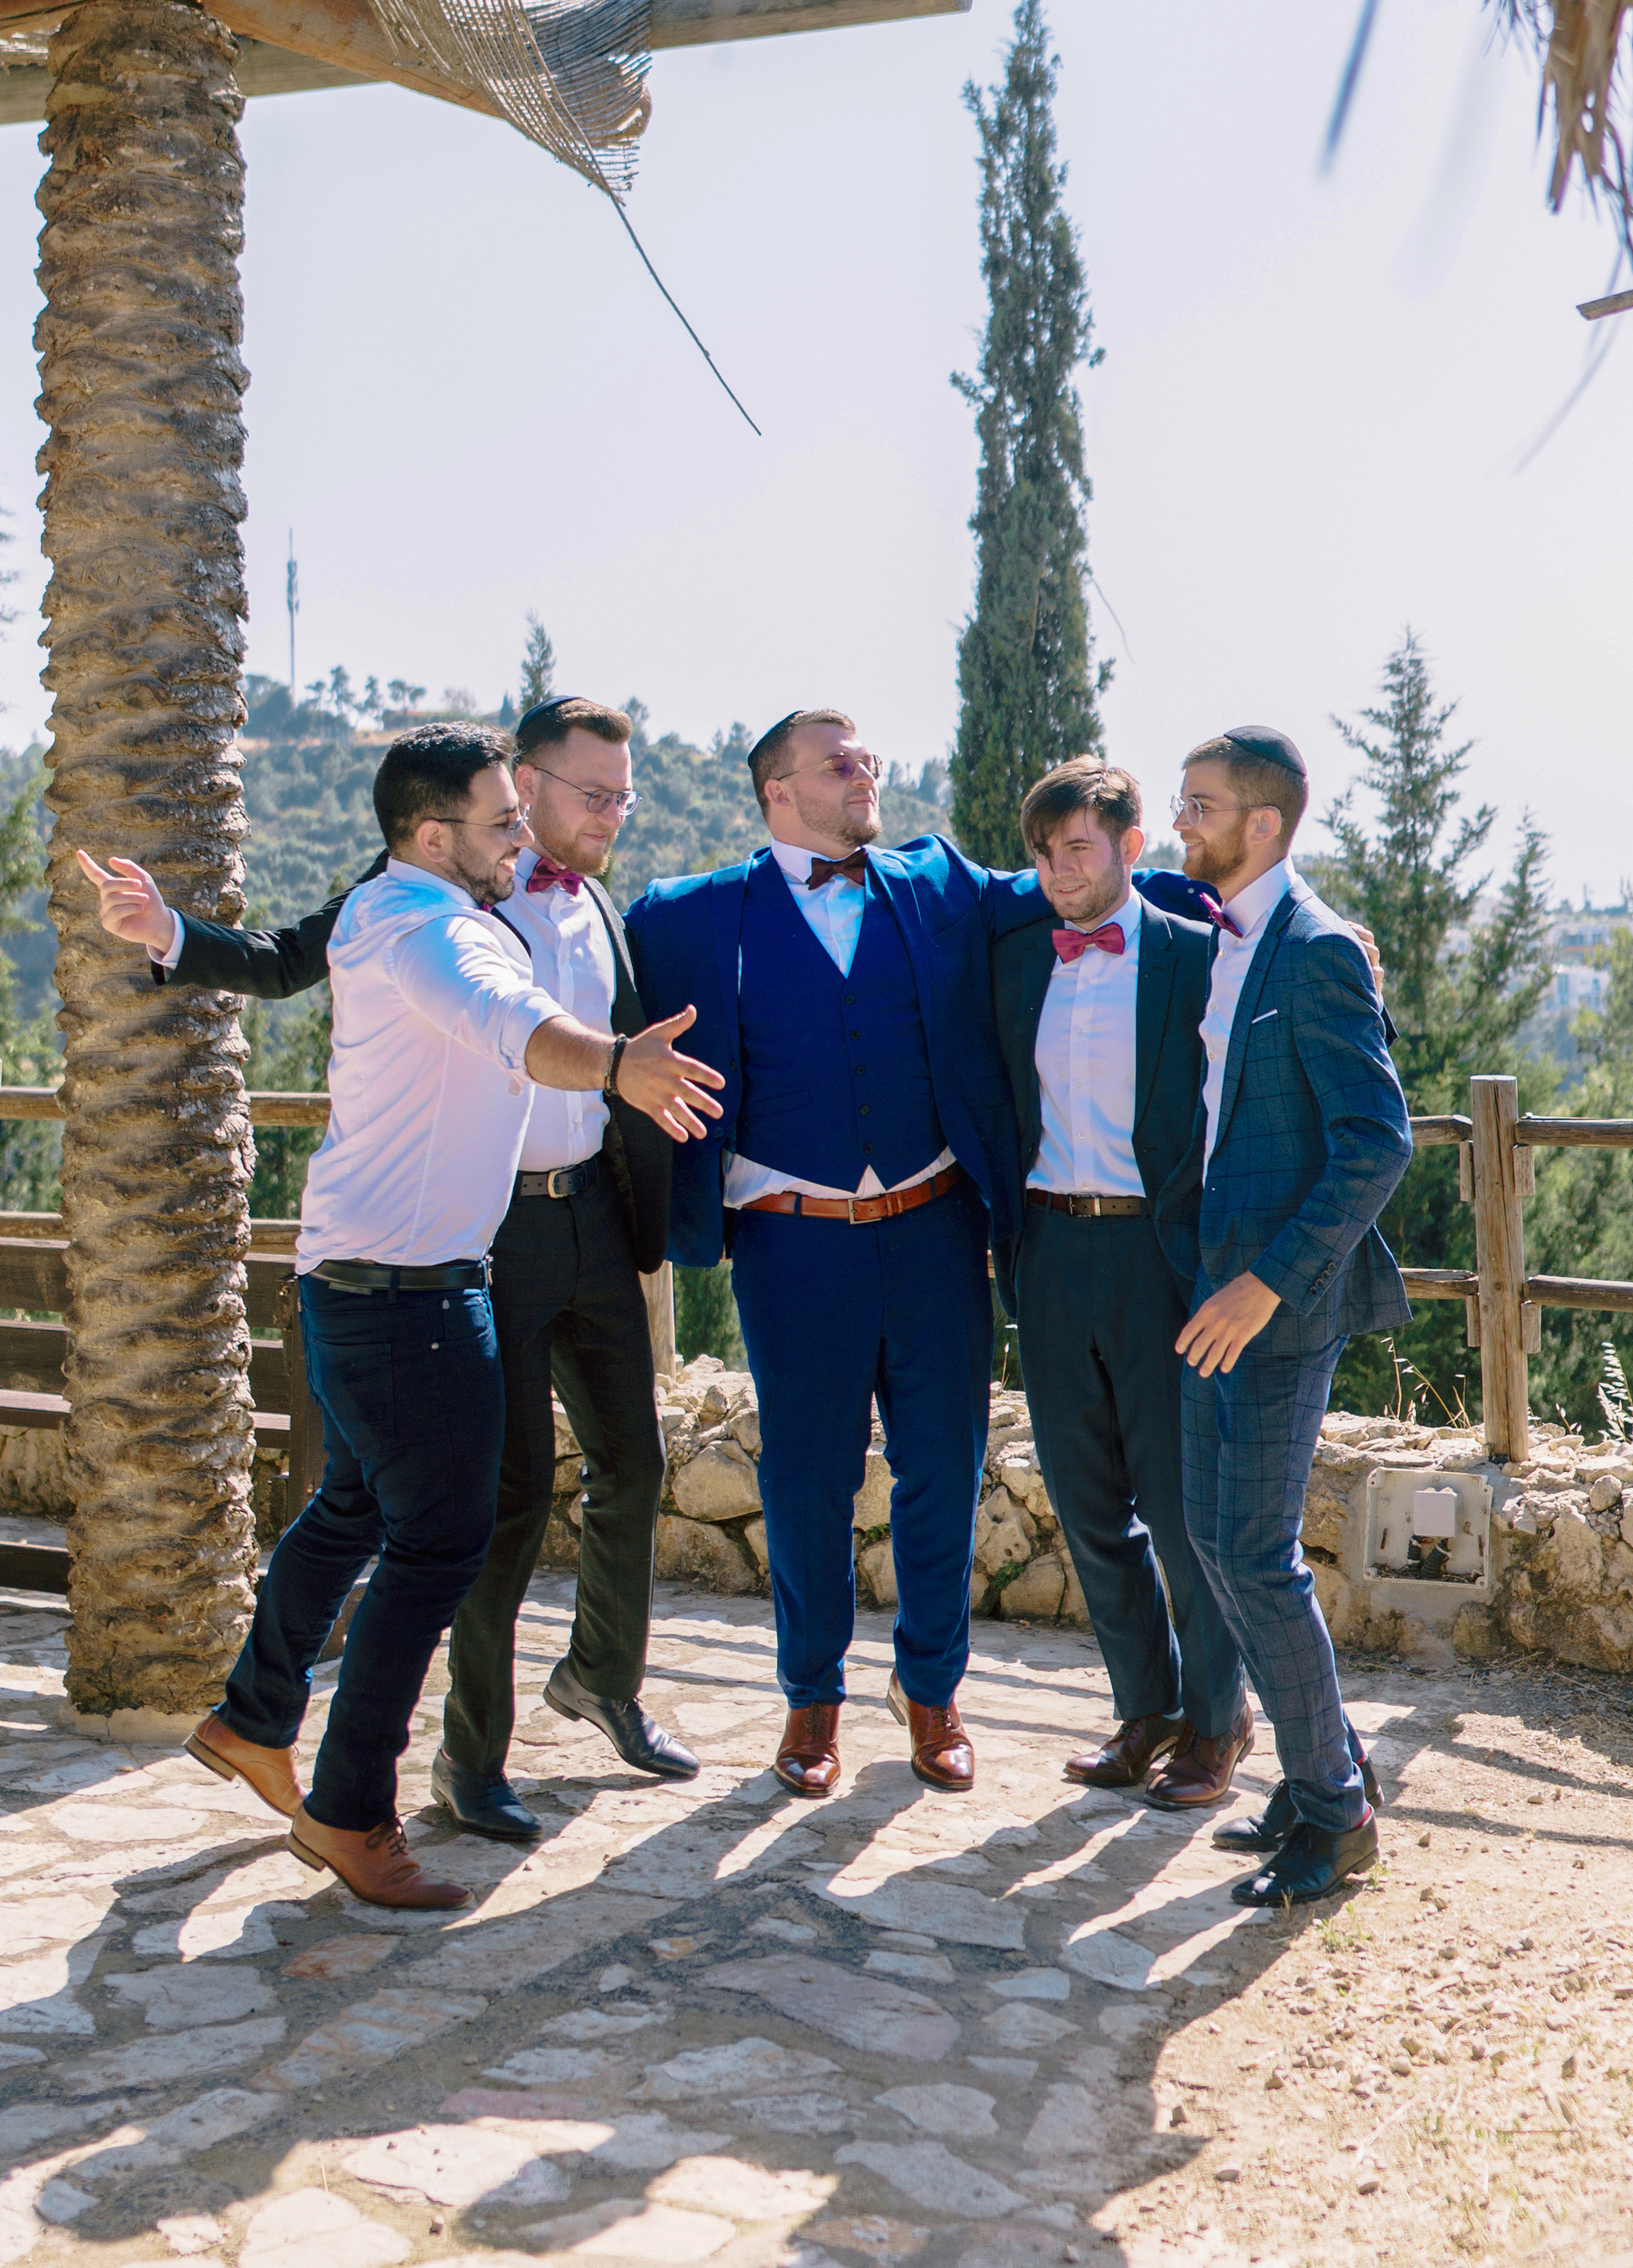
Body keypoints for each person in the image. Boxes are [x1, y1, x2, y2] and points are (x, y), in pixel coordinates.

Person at [91, 723, 721, 1909]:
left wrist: (168, 932)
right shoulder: (433, 932)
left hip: (378, 1282)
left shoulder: (405, 906)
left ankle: (253, 1718)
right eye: (500, 820)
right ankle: (347, 1812)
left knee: (356, 1508)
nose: (519, 836)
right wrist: (622, 1062)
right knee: (439, 1542)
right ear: (435, 835)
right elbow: (507, 1023)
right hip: (408, 1298)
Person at [623, 709, 1025, 1801]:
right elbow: (574, 977)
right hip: (790, 1247)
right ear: (777, 792)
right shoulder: (685, 918)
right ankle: (811, 1703)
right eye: (840, 763)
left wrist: (1212, 909)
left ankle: (933, 1695)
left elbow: (1072, 895)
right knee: (807, 1479)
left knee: (943, 1466)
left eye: (870, 761)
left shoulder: (937, 881)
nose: (866, 776)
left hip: (936, 1226)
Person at [1168, 724, 1413, 1912]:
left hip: (1274, 1298)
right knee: (1215, 1540)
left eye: (1201, 806)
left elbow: (1378, 1140)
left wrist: (1268, 1282)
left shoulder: (1314, 949)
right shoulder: (1217, 928)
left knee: (1251, 1550)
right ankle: (1327, 1762)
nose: (1182, 823)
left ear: (1265, 825)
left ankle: (1336, 1813)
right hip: (1207, 1292)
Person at [990, 757, 1254, 1807]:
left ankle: (1214, 1719)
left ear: (1131, 849)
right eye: (1045, 854)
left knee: (1183, 1509)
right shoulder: (1015, 962)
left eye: (1080, 849)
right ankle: (1141, 1709)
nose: (1059, 871)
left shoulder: (1201, 956)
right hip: (1049, 1251)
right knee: (1088, 1505)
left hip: (1160, 1256)